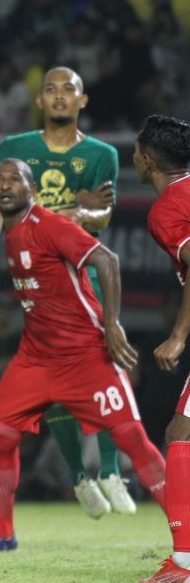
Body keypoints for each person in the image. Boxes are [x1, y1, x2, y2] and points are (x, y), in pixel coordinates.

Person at [0, 159, 167, 553]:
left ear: (33, 190)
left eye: (14, 180)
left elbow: (107, 260)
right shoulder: (12, 231)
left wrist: (112, 324)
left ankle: (186, 531)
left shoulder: (49, 225)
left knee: (131, 438)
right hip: (36, 358)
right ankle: (2, 534)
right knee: (1, 435)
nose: (4, 186)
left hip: (84, 354)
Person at [0, 66, 127, 518]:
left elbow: (103, 217)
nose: (59, 96)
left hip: (83, 271)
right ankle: (79, 476)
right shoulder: (14, 149)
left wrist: (79, 214)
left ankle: (111, 470)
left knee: (107, 366)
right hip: (40, 277)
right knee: (53, 384)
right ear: (39, 100)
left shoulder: (102, 154)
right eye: (50, 89)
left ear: (83, 100)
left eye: (69, 89)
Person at [135, 115, 190, 583]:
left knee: (180, 435)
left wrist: (178, 334)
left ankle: (184, 564)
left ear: (148, 160)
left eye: (135, 153)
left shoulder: (166, 210)